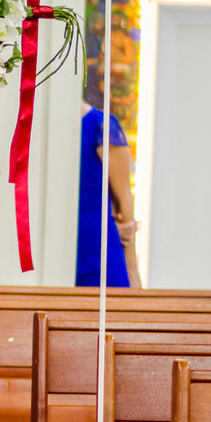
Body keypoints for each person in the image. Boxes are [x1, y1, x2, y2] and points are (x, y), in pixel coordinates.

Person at [77, 102, 142, 288]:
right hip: (54, 261)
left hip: (99, 262)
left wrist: (132, 274)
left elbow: (125, 205)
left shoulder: (102, 127)